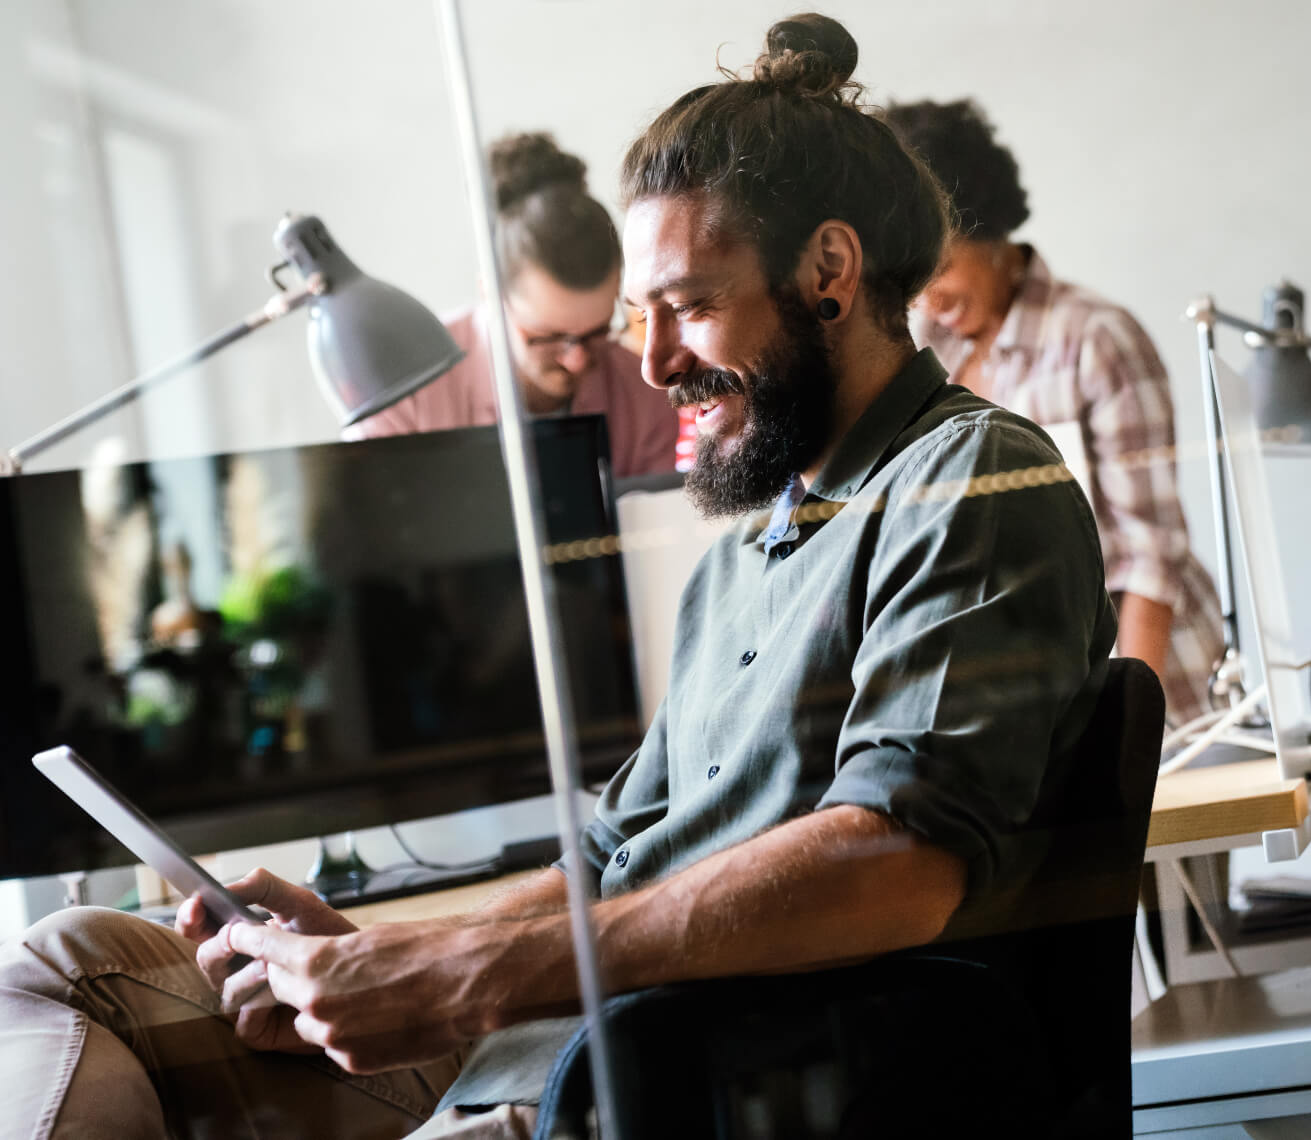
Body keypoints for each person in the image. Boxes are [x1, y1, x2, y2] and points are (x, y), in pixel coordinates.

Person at [0, 14, 1116, 1138]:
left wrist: (468, 977)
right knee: (68, 957)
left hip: (679, 1078)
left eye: (686, 305)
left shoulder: (966, 480)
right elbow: (611, 855)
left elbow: (895, 864)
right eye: (645, 315)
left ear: (829, 270)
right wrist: (394, 951)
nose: (651, 362)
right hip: (556, 1042)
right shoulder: (748, 551)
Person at [884, 99, 1224, 726]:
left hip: (1150, 683)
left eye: (940, 265)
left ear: (986, 229)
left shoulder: (1095, 340)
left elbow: (1150, 557)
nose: (927, 294)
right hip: (1033, 702)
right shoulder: (926, 355)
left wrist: (1128, 734)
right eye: (910, 276)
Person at [347, 132, 678, 480]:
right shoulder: (405, 390)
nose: (577, 360)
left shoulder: (644, 396)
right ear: (489, 294)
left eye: (598, 332)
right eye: (548, 336)